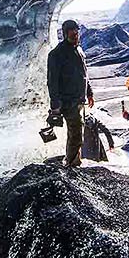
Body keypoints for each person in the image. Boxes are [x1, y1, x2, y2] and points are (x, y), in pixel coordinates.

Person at [47, 19, 94, 168]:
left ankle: (74, 161)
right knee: (76, 135)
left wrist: (89, 92)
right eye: (71, 32)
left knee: (76, 133)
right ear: (65, 33)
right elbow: (52, 81)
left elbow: (84, 74)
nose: (75, 34)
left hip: (79, 100)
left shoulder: (79, 51)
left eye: (76, 31)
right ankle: (71, 164)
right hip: (68, 102)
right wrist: (55, 106)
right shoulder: (56, 54)